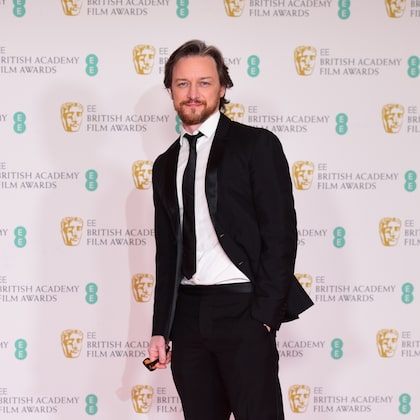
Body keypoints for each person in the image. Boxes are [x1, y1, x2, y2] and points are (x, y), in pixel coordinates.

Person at [147, 39, 313, 420]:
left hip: (244, 310)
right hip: (188, 318)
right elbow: (167, 254)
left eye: (204, 82)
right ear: (170, 90)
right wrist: (161, 329)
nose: (193, 93)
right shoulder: (164, 164)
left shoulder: (256, 145)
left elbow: (281, 234)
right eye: (182, 83)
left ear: (222, 88)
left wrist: (265, 316)